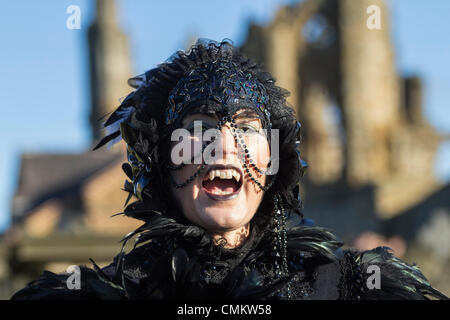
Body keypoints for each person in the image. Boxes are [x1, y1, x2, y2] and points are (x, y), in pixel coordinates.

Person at [11, 40, 448, 300]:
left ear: (274, 158)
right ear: (162, 160)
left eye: (245, 128)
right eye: (198, 128)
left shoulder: (352, 288)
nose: (224, 145)